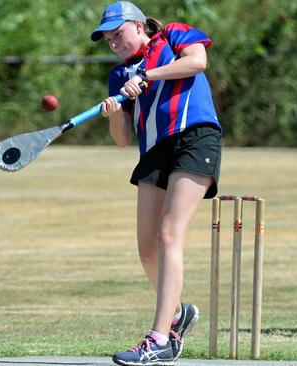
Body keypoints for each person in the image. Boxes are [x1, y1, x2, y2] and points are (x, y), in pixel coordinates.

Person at [90, 2, 222, 365]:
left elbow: (197, 62)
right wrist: (115, 114)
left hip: (194, 136)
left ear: (137, 25)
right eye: (108, 39)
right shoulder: (119, 75)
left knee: (169, 234)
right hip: (153, 150)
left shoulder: (173, 34)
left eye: (118, 34)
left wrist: (148, 75)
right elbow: (122, 139)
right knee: (147, 247)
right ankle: (178, 313)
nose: (114, 43)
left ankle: (160, 338)